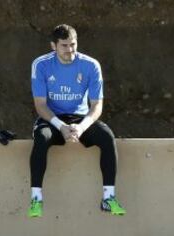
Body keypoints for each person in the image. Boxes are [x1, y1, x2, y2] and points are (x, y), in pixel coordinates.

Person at [28, 24, 126, 217]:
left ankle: (108, 198)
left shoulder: (90, 65)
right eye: (64, 45)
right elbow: (40, 105)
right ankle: (36, 199)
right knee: (41, 138)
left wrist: (80, 128)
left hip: (80, 119)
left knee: (107, 137)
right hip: (52, 119)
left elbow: (97, 105)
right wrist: (61, 126)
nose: (70, 50)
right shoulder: (40, 65)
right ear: (53, 46)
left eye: (73, 44)